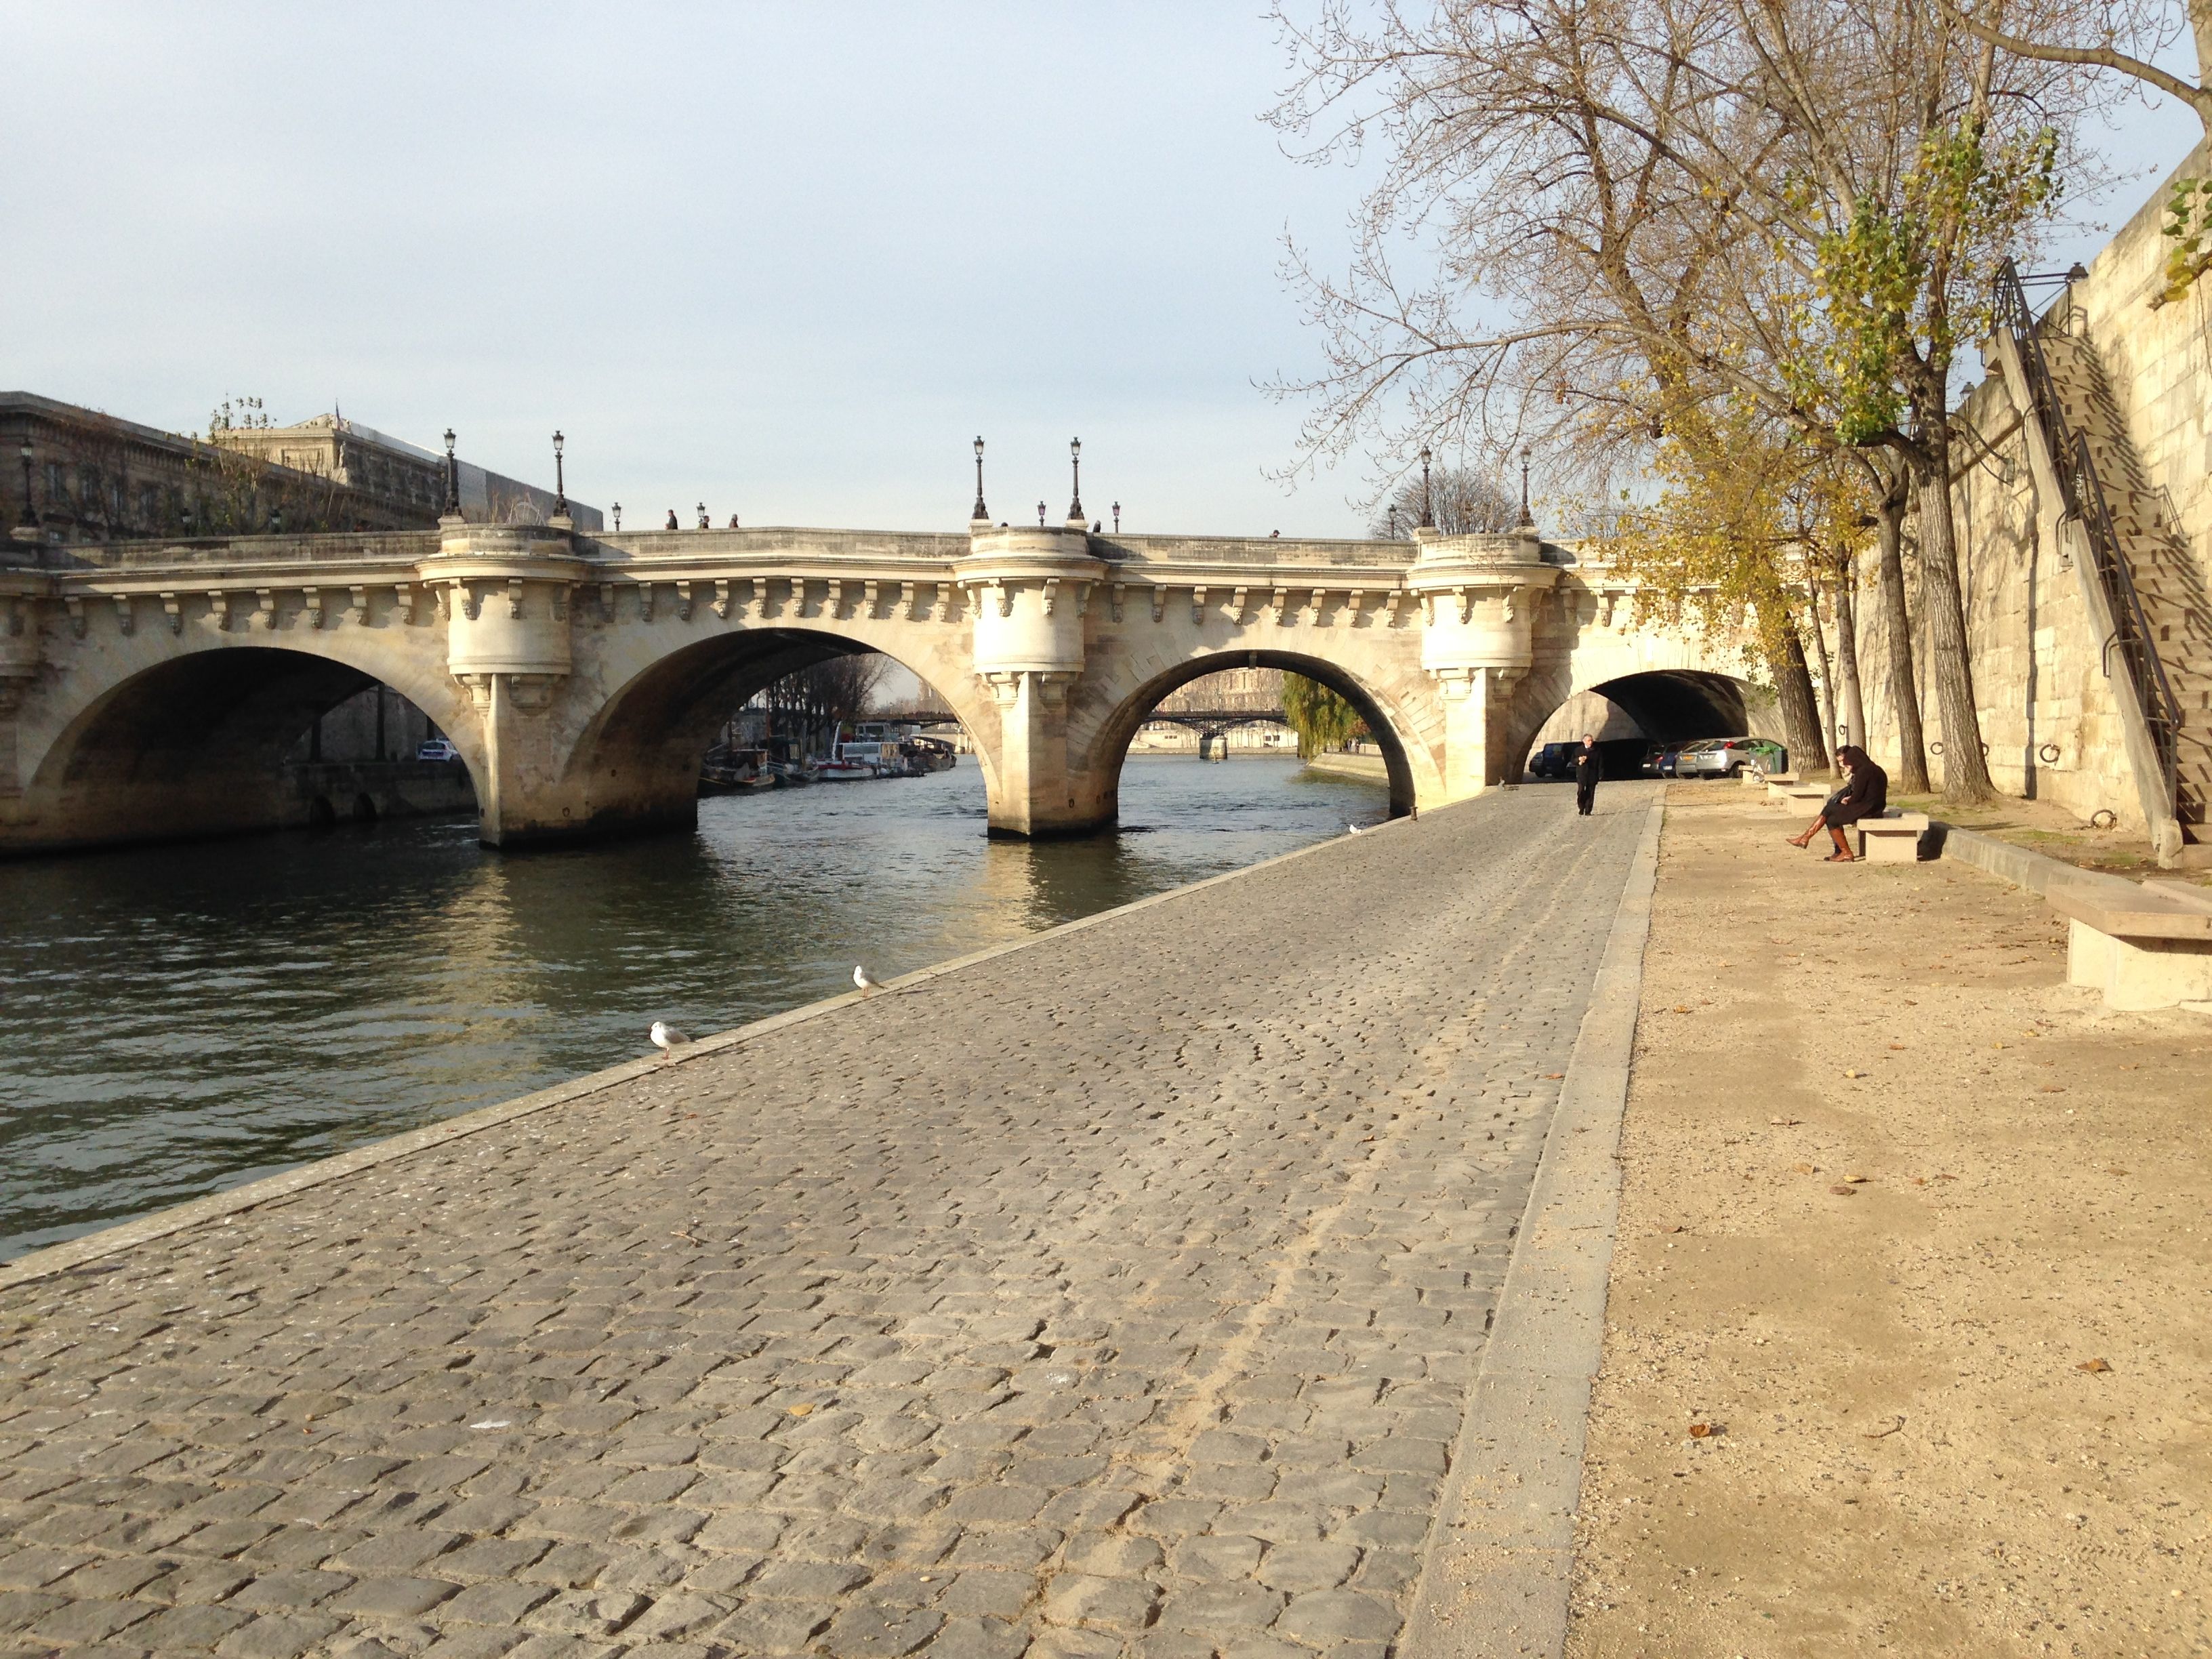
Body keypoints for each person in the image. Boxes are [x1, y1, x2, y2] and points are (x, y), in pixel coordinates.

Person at [1788, 744, 1888, 861]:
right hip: (1875, 807)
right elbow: (1868, 793)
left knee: (1830, 809)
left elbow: (1857, 796)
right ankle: (1844, 852)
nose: (1848, 766)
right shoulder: (1877, 769)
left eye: (1848, 763)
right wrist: (1851, 799)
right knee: (1832, 820)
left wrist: (1848, 800)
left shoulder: (1863, 772)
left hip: (1867, 809)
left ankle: (1806, 838)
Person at [1572, 733, 1601, 816]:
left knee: (1590, 793)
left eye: (1591, 740)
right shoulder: (1578, 750)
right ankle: (1581, 807)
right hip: (1581, 774)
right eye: (1589, 740)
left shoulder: (1596, 750)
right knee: (1581, 791)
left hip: (1592, 774)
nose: (1591, 742)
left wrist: (1600, 774)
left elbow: (1600, 763)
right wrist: (1579, 760)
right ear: (1584, 741)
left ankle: (1588, 810)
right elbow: (1573, 761)